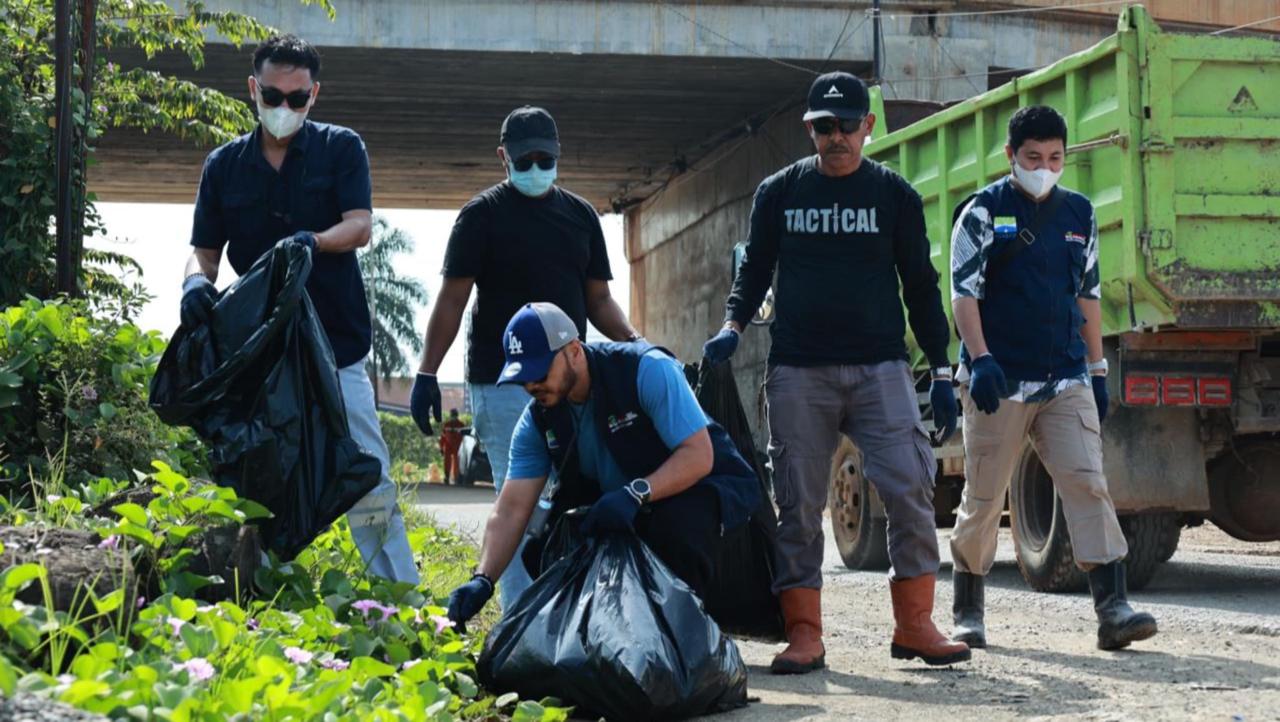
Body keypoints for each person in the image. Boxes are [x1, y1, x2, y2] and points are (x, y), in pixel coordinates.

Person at [703, 71, 967, 674]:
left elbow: (923, 289)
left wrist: (945, 370)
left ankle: (915, 624)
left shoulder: (895, 197)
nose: (837, 136)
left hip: (882, 368)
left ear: (868, 126)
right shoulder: (778, 193)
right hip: (799, 369)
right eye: (825, 126)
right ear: (810, 130)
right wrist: (732, 327)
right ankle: (803, 632)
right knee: (796, 501)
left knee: (908, 485)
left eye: (848, 124)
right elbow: (756, 272)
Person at [179, 34, 418, 584]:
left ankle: (398, 593)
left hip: (339, 348)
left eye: (297, 98)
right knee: (260, 472)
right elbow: (204, 253)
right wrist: (194, 285)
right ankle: (258, 585)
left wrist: (312, 240)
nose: (283, 108)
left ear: (314, 96)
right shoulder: (224, 167)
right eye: (272, 95)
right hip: (262, 354)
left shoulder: (342, 149)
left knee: (367, 471)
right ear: (251, 90)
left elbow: (359, 225)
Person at [409, 106, 639, 609]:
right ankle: (520, 620)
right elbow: (452, 299)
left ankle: (574, 613)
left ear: (558, 156)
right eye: (525, 159)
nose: (535, 167)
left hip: (571, 383)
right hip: (504, 382)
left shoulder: (580, 217)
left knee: (571, 499)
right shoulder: (481, 216)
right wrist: (427, 371)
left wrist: (634, 343)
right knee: (520, 500)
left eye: (544, 158)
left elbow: (597, 301)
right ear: (503, 157)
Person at [948, 105, 1157, 651]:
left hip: (1064, 376)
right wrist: (981, 358)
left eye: (1055, 157)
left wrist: (1096, 369)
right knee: (986, 497)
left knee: (1088, 482)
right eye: (1033, 158)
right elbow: (963, 294)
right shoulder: (980, 213)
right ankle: (968, 609)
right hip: (1000, 382)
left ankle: (1113, 608)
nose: (1045, 167)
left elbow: (1087, 296)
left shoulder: (1079, 214)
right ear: (1010, 157)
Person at [445, 303, 760, 627]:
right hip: (622, 502)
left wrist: (635, 493)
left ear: (575, 351)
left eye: (539, 372)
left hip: (699, 491)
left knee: (677, 526)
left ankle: (681, 637)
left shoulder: (646, 369)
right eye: (522, 378)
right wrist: (483, 579)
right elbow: (511, 508)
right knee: (544, 548)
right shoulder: (538, 420)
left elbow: (697, 455)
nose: (531, 386)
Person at [440, 409, 464, 484]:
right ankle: (447, 477)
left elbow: (464, 437)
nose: (453, 417)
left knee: (457, 462)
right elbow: (443, 437)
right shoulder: (447, 424)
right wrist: (441, 447)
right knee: (447, 461)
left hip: (457, 446)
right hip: (450, 446)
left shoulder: (461, 425)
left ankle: (456, 478)